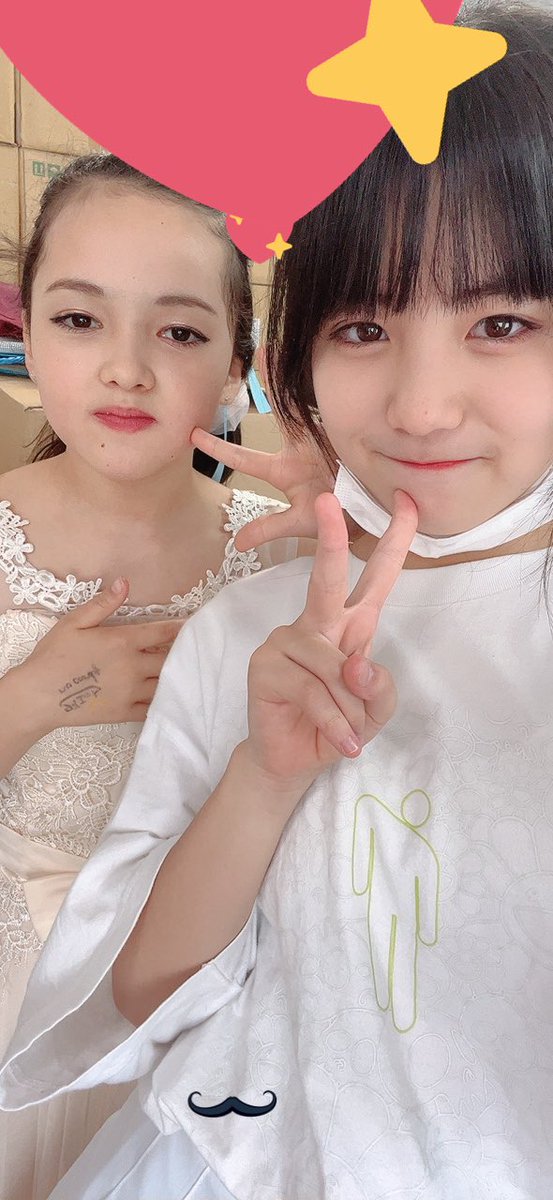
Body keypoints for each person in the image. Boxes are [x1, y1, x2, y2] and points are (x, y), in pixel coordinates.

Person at [3, 2, 553, 1196]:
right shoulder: (261, 623)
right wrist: (258, 772)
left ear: (237, 359)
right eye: (362, 326)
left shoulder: (263, 562)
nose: (420, 406)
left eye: (501, 321)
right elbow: (142, 984)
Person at [0, 151, 318, 1200]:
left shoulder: (284, 550)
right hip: (18, 1007)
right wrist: (37, 696)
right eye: (80, 319)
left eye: (178, 332)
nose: (126, 369)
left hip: (215, 1019)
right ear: (27, 329)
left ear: (237, 365)